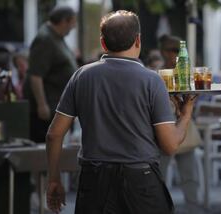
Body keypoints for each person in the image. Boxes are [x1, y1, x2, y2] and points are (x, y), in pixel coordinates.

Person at [45, 10, 197, 213]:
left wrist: (54, 179)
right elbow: (169, 146)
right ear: (138, 41)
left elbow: (54, 134)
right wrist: (185, 115)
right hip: (141, 183)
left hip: (94, 182)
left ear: (103, 43)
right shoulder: (152, 81)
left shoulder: (81, 77)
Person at [158, 34, 202, 212]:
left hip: (183, 129)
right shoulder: (156, 74)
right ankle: (158, 207)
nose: (174, 54)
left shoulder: (187, 74)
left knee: (189, 174)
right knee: (159, 173)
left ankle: (193, 208)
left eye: (177, 50)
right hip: (162, 130)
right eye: (171, 50)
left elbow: (194, 102)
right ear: (163, 52)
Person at [24, 6, 77, 143]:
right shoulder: (45, 39)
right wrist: (42, 104)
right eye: (73, 22)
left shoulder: (56, 37)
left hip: (56, 106)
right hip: (45, 111)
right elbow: (35, 75)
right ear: (64, 21)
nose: (74, 27)